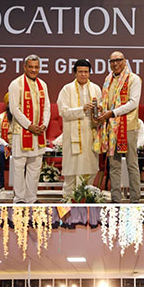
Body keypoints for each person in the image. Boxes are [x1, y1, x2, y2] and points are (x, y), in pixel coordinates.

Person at [0, 54, 51, 201]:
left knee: (35, 167)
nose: (34, 70)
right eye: (31, 67)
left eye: (36, 67)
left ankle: (31, 198)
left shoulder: (43, 84)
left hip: (39, 132)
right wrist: (29, 126)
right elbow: (14, 109)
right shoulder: (16, 84)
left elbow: (47, 106)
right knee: (19, 167)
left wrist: (44, 124)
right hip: (21, 132)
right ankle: (19, 199)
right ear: (24, 67)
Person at [101, 51, 144, 203]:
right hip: (112, 127)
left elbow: (133, 103)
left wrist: (112, 113)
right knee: (114, 164)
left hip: (128, 126)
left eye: (118, 60)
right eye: (112, 61)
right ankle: (115, 199)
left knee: (132, 164)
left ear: (125, 61)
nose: (115, 64)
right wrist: (100, 110)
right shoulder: (108, 80)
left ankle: (135, 199)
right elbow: (106, 102)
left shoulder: (134, 79)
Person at [58, 59, 104, 200]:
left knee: (90, 167)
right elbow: (63, 112)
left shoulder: (96, 89)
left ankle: (87, 196)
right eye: (80, 72)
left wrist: (100, 112)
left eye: (86, 72)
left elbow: (101, 110)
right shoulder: (67, 89)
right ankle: (68, 199)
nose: (83, 75)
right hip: (73, 133)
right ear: (75, 73)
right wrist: (82, 109)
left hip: (90, 134)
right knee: (71, 169)